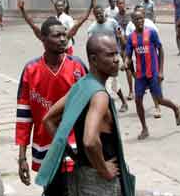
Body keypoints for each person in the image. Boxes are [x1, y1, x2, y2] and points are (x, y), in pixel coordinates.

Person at [39, 34, 135, 196]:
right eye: (110, 55)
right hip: (100, 183)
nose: (117, 59)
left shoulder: (81, 85)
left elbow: (48, 119)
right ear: (94, 59)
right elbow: (90, 141)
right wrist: (104, 170)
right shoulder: (100, 96)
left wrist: (74, 155)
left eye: (116, 53)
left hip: (81, 174)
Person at [16, 17, 87, 196]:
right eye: (57, 35)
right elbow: (24, 117)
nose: (63, 39)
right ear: (43, 39)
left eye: (64, 35)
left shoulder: (77, 66)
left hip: (75, 146)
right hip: (45, 147)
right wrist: (22, 157)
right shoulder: (30, 70)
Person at [125, 10, 180, 140]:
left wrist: (161, 71)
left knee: (160, 99)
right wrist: (125, 63)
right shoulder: (131, 37)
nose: (139, 21)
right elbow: (128, 56)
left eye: (141, 18)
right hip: (140, 75)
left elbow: (160, 49)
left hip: (153, 72)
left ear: (144, 18)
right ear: (133, 21)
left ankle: (176, 107)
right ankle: (144, 129)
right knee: (138, 101)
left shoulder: (151, 33)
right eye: (136, 19)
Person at [18, 0, 96, 56]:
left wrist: (90, 6)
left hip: (67, 50)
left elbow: (78, 24)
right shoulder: (53, 20)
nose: (61, 38)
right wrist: (22, 10)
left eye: (62, 34)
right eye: (56, 35)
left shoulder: (67, 19)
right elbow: (33, 25)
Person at [87, 6, 129, 113]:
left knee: (110, 82)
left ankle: (109, 108)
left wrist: (123, 56)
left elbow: (120, 35)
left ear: (104, 13)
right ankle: (122, 102)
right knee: (109, 81)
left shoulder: (112, 23)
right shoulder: (92, 28)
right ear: (94, 15)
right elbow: (90, 44)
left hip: (114, 55)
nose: (99, 16)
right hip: (101, 58)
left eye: (100, 13)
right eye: (96, 15)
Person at [113, 0, 134, 101]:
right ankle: (131, 91)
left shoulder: (130, 15)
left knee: (131, 67)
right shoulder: (115, 18)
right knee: (128, 68)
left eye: (122, 3)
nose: (121, 5)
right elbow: (115, 32)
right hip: (122, 45)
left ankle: (137, 86)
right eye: (119, 3)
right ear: (117, 5)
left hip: (132, 43)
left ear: (125, 4)